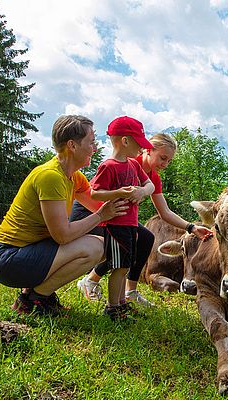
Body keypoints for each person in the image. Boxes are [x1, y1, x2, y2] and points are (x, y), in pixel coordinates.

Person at [0, 115, 127, 316]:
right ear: (72, 145)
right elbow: (62, 235)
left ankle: (37, 293)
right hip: (8, 259)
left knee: (105, 243)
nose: (95, 148)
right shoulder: (50, 176)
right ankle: (35, 299)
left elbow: (100, 204)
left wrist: (128, 198)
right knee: (96, 247)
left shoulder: (73, 176)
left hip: (29, 251)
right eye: (91, 142)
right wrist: (100, 216)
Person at [72, 132, 213, 308]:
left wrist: (191, 228)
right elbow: (94, 193)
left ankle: (130, 292)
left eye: (169, 161)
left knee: (146, 238)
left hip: (117, 217)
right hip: (89, 212)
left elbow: (165, 212)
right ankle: (91, 281)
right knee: (127, 243)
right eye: (162, 158)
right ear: (147, 150)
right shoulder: (129, 161)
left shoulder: (152, 177)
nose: (165, 164)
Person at [72, 115, 155, 320]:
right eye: (139, 144)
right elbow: (95, 193)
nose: (142, 149)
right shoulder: (108, 166)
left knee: (125, 265)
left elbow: (149, 185)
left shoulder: (133, 165)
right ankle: (112, 307)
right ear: (125, 141)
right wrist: (119, 193)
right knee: (118, 268)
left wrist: (141, 192)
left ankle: (121, 303)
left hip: (130, 224)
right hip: (115, 224)